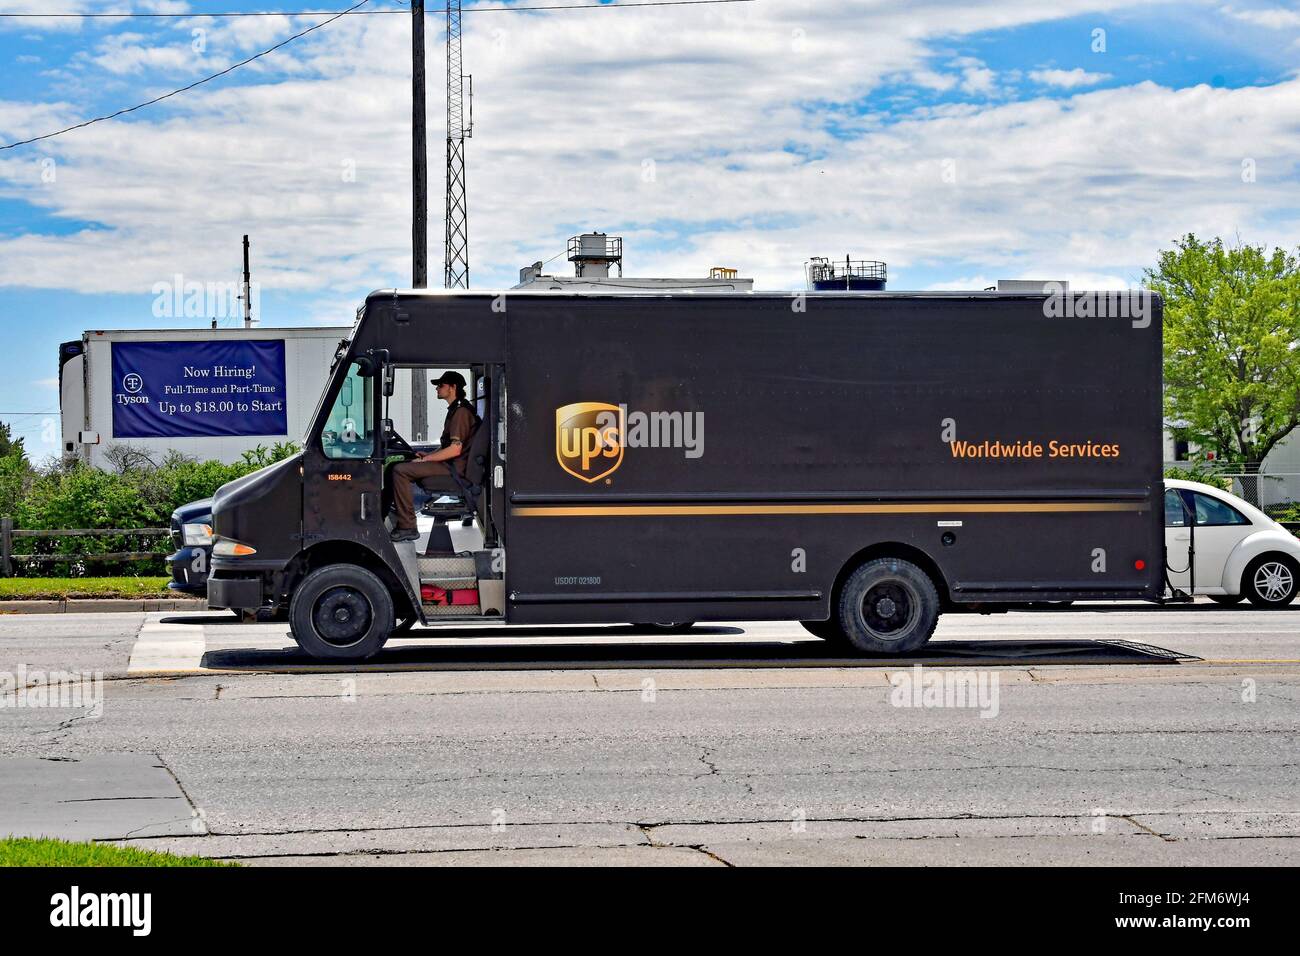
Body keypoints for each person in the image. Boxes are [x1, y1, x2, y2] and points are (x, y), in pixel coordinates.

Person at [387, 371, 478, 542]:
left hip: (454, 470)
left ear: (453, 388)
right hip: (449, 465)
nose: (437, 388)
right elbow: (446, 447)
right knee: (396, 466)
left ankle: (407, 527)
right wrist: (429, 455)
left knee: (400, 470)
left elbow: (455, 450)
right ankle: (395, 513)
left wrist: (426, 460)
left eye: (441, 385)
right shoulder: (455, 410)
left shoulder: (461, 413)